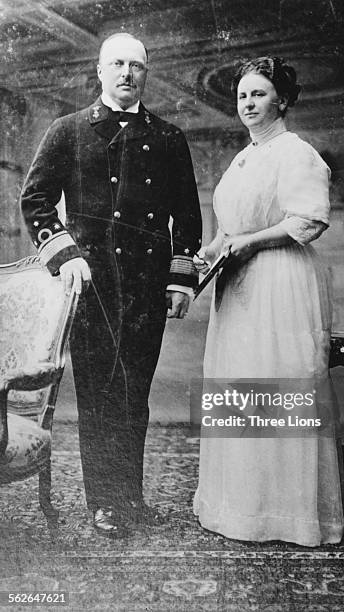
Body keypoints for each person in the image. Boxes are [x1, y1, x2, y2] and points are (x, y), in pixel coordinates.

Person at [21, 33, 202, 538]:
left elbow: (187, 214)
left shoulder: (168, 137)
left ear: (146, 75)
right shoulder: (68, 130)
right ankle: (105, 502)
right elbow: (34, 200)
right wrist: (64, 254)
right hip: (92, 285)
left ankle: (130, 497)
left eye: (137, 65)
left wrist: (181, 280)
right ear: (100, 71)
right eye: (117, 63)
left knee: (134, 393)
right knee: (100, 394)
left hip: (145, 286)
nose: (127, 72)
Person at [193, 56, 344, 546]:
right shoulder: (244, 157)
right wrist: (210, 254)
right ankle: (242, 506)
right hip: (237, 284)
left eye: (258, 94)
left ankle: (285, 513)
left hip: (279, 281)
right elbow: (228, 229)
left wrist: (251, 243)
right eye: (242, 96)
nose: (248, 104)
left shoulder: (295, 152)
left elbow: (307, 221)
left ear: (282, 99)